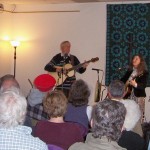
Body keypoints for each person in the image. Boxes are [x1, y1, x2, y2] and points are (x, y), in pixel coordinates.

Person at [107, 80, 145, 149]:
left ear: (108, 93)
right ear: (124, 93)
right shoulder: (133, 108)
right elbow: (140, 135)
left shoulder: (100, 109)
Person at [121, 54, 149, 123]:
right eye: (133, 58)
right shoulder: (129, 71)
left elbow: (143, 85)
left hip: (138, 96)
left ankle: (138, 132)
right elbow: (122, 80)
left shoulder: (144, 72)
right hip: (127, 95)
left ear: (141, 61)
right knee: (128, 114)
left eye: (137, 59)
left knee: (137, 115)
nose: (134, 60)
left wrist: (135, 84)